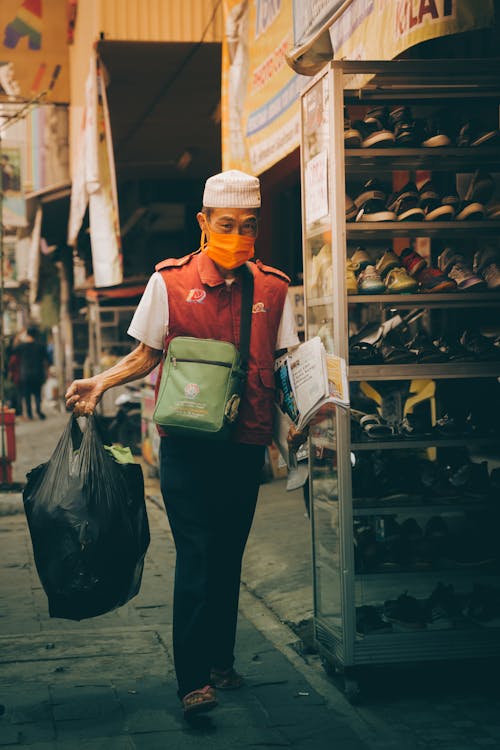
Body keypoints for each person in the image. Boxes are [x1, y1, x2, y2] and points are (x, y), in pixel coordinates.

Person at [65, 169, 307, 717]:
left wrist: (304, 420)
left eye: (249, 226)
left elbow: (288, 362)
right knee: (197, 556)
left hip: (246, 446)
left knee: (228, 557)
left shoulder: (272, 286)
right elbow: (147, 353)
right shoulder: (168, 282)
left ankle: (221, 660)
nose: (239, 235)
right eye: (227, 224)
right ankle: (193, 679)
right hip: (187, 447)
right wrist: (100, 382)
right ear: (203, 223)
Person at [15, 326, 49, 420]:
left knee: (27, 395)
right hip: (37, 374)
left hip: (25, 374)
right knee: (37, 394)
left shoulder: (21, 346)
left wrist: (19, 337)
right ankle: (38, 410)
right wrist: (46, 372)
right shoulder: (41, 346)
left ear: (27, 334)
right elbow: (47, 360)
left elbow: (13, 350)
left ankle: (29, 414)